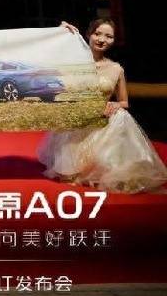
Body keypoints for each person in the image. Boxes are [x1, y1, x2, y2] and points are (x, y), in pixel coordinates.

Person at [38, 19, 167, 193]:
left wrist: (116, 104)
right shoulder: (74, 62)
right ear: (88, 35)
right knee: (71, 171)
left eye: (108, 36)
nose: (102, 39)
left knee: (121, 115)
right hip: (78, 120)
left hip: (102, 120)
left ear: (114, 40)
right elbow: (47, 58)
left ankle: (107, 168)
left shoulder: (116, 68)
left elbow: (124, 101)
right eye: (97, 34)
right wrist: (59, 32)